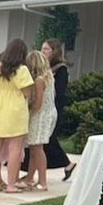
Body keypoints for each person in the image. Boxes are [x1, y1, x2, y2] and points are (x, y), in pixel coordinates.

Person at [0, 38, 37, 194]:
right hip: (16, 111)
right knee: (15, 148)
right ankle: (11, 185)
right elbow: (26, 93)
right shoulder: (22, 70)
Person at [20, 49, 57, 192]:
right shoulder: (49, 77)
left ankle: (42, 181)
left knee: (37, 149)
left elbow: (38, 104)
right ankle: (29, 178)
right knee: (35, 148)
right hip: (48, 113)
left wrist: (27, 106)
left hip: (40, 116)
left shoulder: (39, 80)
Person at [39, 39, 74, 180]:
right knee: (42, 142)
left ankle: (67, 163)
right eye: (42, 48)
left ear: (55, 51)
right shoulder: (42, 67)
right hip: (42, 108)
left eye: (47, 49)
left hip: (53, 108)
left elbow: (60, 92)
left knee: (47, 139)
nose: (43, 51)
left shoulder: (61, 69)